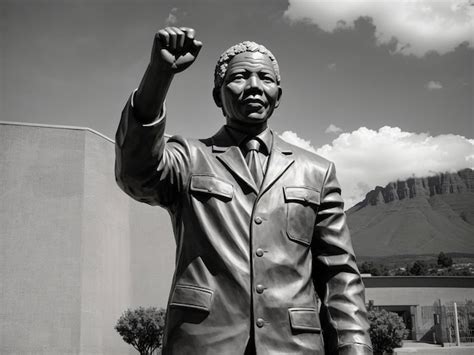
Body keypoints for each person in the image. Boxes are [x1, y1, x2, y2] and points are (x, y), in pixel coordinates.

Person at [115, 27, 373, 355]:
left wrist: (355, 347)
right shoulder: (188, 157)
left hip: (295, 346)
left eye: (265, 78)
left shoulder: (317, 171)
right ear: (217, 95)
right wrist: (159, 75)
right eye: (240, 77)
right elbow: (135, 174)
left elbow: (339, 274)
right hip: (202, 343)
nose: (253, 86)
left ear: (278, 95)